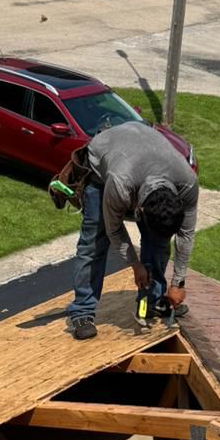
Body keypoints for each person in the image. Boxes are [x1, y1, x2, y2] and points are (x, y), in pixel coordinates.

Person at [61, 121, 198, 341]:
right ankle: (82, 312)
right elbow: (114, 229)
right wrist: (135, 265)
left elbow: (186, 234)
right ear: (139, 211)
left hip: (140, 152)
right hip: (103, 165)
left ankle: (151, 302)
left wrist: (178, 283)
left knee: (157, 243)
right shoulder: (120, 184)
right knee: (94, 242)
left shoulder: (187, 183)